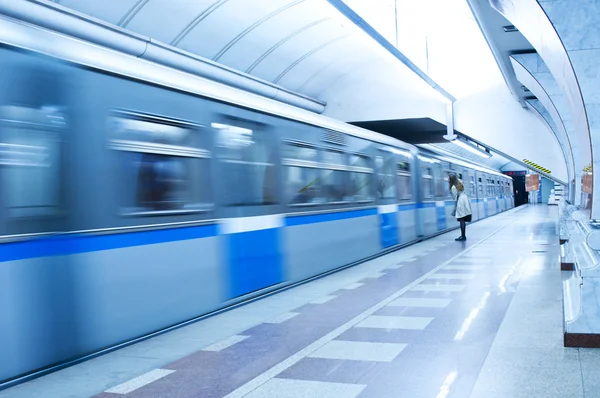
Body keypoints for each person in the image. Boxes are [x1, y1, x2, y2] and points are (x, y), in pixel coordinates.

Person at [449, 174, 472, 241]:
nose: (447, 179)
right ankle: (463, 235)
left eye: (448, 178)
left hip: (460, 202)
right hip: (465, 200)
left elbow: (455, 198)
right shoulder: (460, 184)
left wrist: (455, 207)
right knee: (462, 219)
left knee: (461, 219)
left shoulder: (453, 187)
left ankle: (463, 236)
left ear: (451, 179)